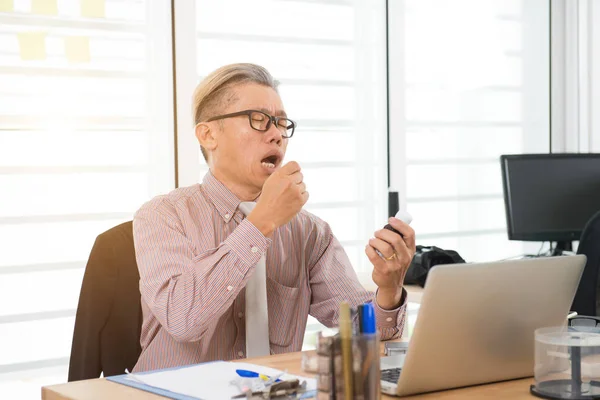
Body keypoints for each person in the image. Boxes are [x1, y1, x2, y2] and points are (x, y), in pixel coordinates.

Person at [132, 63, 416, 372]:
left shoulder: (310, 231)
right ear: (208, 134)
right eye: (259, 120)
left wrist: (389, 289)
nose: (277, 135)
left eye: (282, 123)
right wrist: (261, 224)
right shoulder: (162, 215)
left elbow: (367, 336)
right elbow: (183, 319)